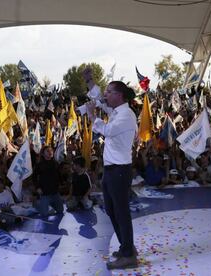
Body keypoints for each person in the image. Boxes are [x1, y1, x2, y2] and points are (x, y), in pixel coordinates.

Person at [86, 79, 138, 270]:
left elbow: (107, 130)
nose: (105, 95)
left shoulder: (127, 116)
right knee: (112, 209)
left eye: (109, 92)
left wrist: (92, 116)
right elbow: (100, 100)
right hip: (111, 169)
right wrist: (90, 83)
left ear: (119, 96)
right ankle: (127, 245)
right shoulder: (117, 112)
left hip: (119, 170)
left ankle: (128, 255)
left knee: (121, 212)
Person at [33, 146, 64, 217]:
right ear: (43, 154)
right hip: (45, 193)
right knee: (44, 214)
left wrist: (61, 183)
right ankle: (37, 203)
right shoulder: (39, 165)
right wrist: (37, 188)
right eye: (47, 151)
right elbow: (34, 177)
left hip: (55, 192)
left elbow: (59, 175)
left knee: (60, 210)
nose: (50, 152)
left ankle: (49, 203)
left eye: (51, 150)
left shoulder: (55, 163)